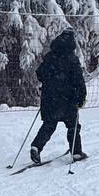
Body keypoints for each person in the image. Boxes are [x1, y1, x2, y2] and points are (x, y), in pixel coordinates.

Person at [30, 29, 87, 164]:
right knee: (73, 126)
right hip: (68, 98)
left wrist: (51, 83)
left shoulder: (50, 56)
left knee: (49, 124)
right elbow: (79, 79)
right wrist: (81, 96)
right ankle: (76, 152)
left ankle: (36, 146)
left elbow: (40, 73)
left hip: (50, 98)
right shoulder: (72, 59)